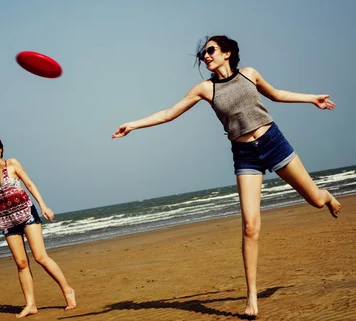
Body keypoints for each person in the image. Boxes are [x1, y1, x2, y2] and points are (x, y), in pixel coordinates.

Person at [111, 35, 341, 318]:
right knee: (250, 226)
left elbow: (277, 94)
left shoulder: (249, 75)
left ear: (227, 53)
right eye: (203, 53)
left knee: (316, 200)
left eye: (211, 50)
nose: (205, 56)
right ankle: (252, 298)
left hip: (273, 142)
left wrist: (312, 99)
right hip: (245, 156)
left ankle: (327, 196)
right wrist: (132, 125)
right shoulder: (205, 89)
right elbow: (170, 113)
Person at [0, 133, 76, 318]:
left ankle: (67, 290)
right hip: (7, 221)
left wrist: (43, 206)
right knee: (21, 263)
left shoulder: (12, 164)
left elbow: (30, 185)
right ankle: (30, 304)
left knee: (40, 257)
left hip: (26, 214)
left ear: (2, 147)